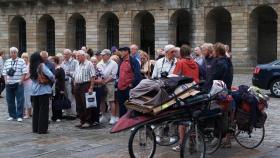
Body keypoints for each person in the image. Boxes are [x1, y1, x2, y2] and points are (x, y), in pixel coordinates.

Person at [172, 45, 200, 152]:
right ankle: (192, 140)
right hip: (195, 91)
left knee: (182, 119)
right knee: (192, 117)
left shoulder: (181, 62)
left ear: (182, 53)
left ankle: (181, 143)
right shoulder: (194, 63)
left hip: (184, 93)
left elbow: (174, 77)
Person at [30, 52, 54, 134]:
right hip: (43, 90)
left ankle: (35, 128)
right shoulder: (41, 66)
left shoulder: (31, 66)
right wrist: (52, 81)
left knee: (36, 110)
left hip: (34, 91)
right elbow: (50, 75)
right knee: (43, 110)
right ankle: (42, 129)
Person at [3, 47, 27, 122]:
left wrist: (21, 81)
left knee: (20, 100)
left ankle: (19, 115)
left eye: (14, 52)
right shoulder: (7, 61)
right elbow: (4, 72)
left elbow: (24, 72)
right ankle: (12, 115)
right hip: (9, 83)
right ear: (10, 53)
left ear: (17, 53)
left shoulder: (21, 61)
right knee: (10, 100)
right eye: (11, 52)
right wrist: (6, 81)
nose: (13, 54)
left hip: (18, 83)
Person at [73, 50, 96, 128]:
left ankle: (88, 121)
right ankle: (82, 120)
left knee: (86, 104)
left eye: (78, 56)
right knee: (79, 104)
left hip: (85, 85)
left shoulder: (89, 64)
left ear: (83, 56)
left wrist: (91, 87)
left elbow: (93, 76)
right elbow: (75, 74)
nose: (77, 57)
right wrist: (75, 83)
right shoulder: (77, 64)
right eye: (76, 56)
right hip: (77, 85)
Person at [118, 47, 141, 117]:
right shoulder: (121, 61)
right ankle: (122, 122)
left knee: (132, 106)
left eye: (122, 51)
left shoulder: (134, 61)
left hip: (129, 88)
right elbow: (118, 74)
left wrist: (132, 84)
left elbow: (137, 75)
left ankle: (133, 122)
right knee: (121, 106)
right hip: (120, 87)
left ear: (127, 52)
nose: (120, 53)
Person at [97, 49, 119, 125]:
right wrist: (101, 81)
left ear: (108, 55)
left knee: (111, 100)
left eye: (104, 55)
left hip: (110, 83)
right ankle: (103, 115)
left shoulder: (114, 63)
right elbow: (98, 73)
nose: (102, 56)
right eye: (102, 55)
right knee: (102, 100)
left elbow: (113, 75)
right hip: (101, 83)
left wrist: (105, 81)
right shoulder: (99, 63)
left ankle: (113, 116)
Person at [61, 49, 78, 118]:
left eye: (67, 54)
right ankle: (66, 112)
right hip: (63, 82)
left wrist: (69, 73)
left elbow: (77, 72)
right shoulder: (63, 62)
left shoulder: (75, 62)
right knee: (65, 97)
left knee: (71, 97)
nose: (65, 56)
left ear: (70, 54)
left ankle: (73, 113)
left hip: (71, 82)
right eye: (64, 54)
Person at [51, 56, 65, 122]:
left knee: (58, 102)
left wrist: (62, 90)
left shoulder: (60, 69)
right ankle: (54, 116)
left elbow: (62, 80)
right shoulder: (52, 69)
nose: (51, 62)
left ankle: (59, 116)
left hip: (58, 88)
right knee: (53, 102)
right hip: (52, 88)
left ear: (55, 61)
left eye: (52, 61)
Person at [21, 53, 32, 119]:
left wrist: (24, 78)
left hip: (28, 83)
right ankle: (23, 112)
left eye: (26, 57)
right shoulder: (21, 65)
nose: (24, 58)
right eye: (23, 57)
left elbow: (30, 74)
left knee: (28, 98)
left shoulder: (29, 65)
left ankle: (28, 113)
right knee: (22, 98)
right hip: (22, 83)